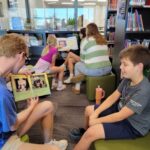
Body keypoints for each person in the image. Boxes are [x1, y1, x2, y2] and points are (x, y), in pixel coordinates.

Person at [71, 45, 150, 150]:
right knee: (88, 110)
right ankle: (84, 135)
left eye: (125, 64)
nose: (120, 67)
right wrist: (96, 113)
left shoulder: (143, 90)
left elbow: (121, 116)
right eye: (121, 63)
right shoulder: (128, 78)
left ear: (139, 67)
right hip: (120, 110)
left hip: (133, 126)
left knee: (91, 132)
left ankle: (87, 136)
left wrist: (96, 121)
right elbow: (113, 97)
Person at [0, 33, 68, 150]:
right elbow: (13, 126)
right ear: (21, 55)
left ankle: (48, 143)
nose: (24, 63)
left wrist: (17, 73)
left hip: (4, 127)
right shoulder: (3, 93)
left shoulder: (2, 76)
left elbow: (5, 77)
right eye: (26, 60)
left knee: (47, 106)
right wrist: (30, 107)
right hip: (4, 139)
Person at [72, 23, 112, 94]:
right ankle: (83, 75)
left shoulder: (85, 41)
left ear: (87, 31)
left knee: (77, 65)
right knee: (88, 65)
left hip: (95, 71)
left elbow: (82, 59)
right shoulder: (103, 40)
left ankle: (77, 88)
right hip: (108, 69)